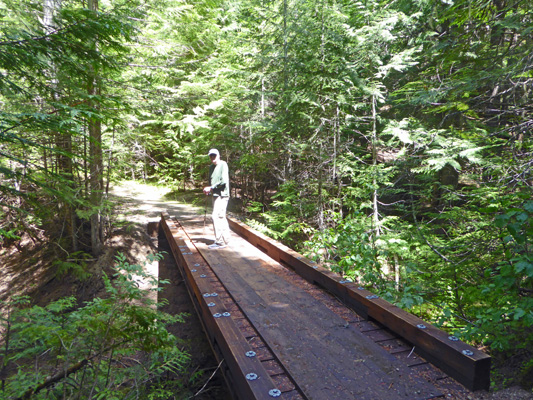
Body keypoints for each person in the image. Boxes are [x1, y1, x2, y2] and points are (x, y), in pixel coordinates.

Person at [203, 148, 231, 249]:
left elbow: (223, 181)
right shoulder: (211, 167)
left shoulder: (223, 164)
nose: (212, 157)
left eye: (214, 155)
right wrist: (209, 189)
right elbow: (212, 182)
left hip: (223, 195)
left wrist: (211, 187)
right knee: (221, 216)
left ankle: (219, 242)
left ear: (218, 155)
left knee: (216, 216)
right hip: (215, 195)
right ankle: (227, 240)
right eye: (211, 156)